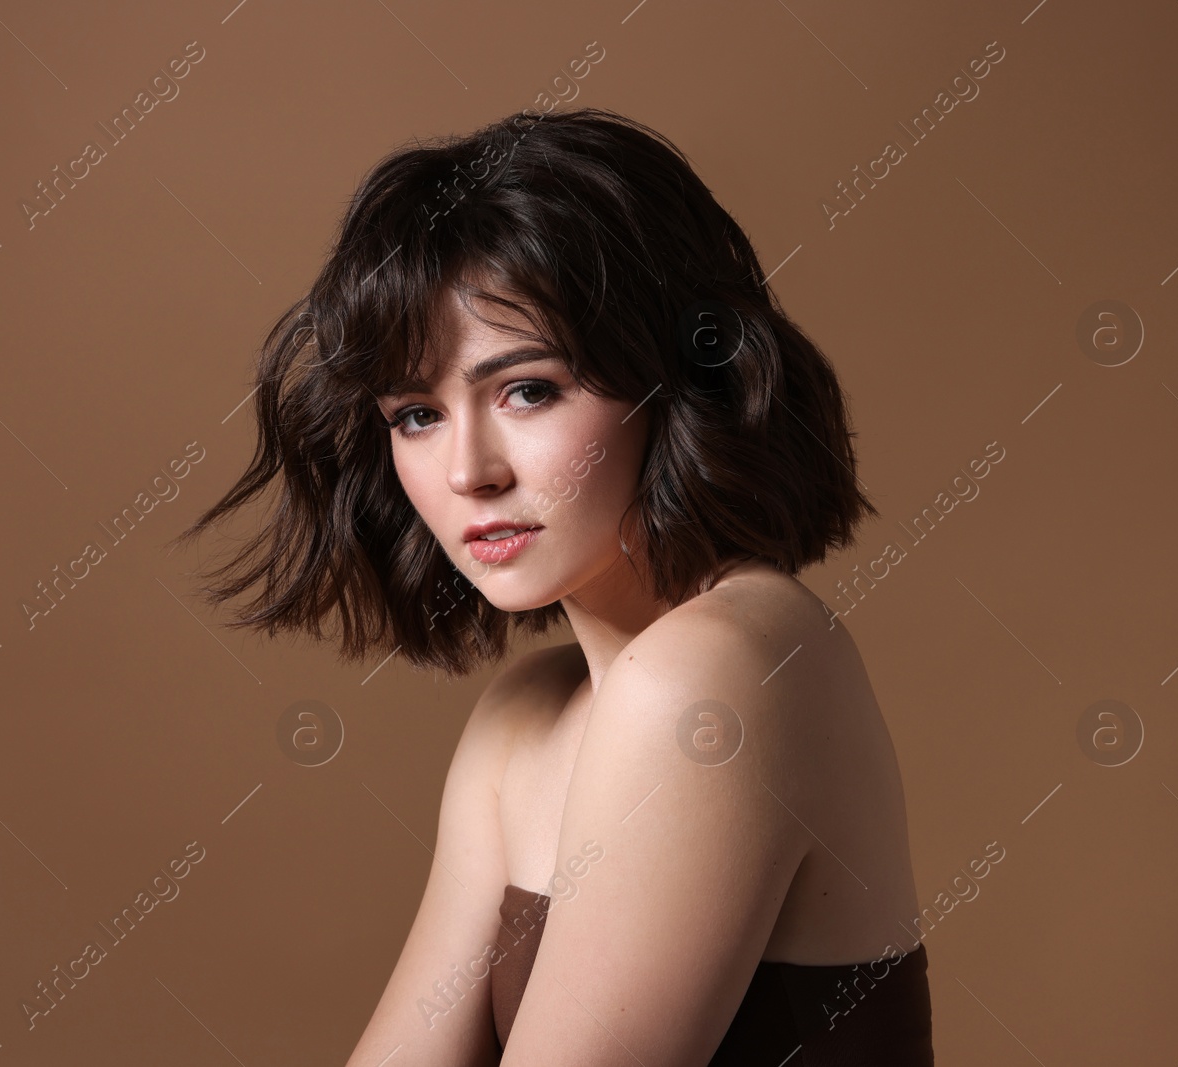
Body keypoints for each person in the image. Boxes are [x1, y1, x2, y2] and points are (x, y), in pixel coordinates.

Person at [177, 107, 934, 1065]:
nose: (468, 470)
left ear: (677, 376)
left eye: (527, 389)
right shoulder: (522, 722)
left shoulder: (718, 670)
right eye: (415, 413)